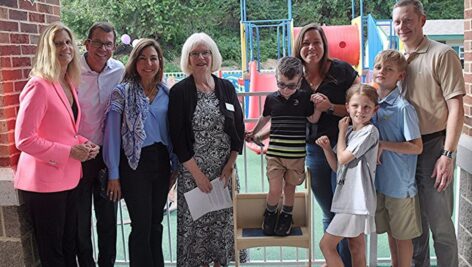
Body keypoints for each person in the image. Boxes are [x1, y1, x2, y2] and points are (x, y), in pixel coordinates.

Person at [14, 22, 99, 266]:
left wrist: (85, 144)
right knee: (54, 254)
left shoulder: (67, 82)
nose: (65, 47)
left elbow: (65, 131)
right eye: (58, 43)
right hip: (44, 184)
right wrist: (70, 152)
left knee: (69, 246)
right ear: (47, 49)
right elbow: (25, 139)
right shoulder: (38, 85)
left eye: (68, 41)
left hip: (69, 179)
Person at [392, 1, 465, 266]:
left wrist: (448, 153)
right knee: (414, 229)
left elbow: (456, 106)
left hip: (434, 148)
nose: (402, 27)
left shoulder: (441, 54)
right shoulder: (396, 60)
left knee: (441, 226)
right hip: (405, 152)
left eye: (408, 20)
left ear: (422, 21)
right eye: (398, 21)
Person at [168, 32, 247, 267]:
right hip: (195, 175)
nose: (201, 58)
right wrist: (198, 175)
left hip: (225, 173)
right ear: (188, 59)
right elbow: (178, 139)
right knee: (198, 232)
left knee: (224, 227)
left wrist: (230, 164)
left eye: (205, 53)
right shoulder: (180, 92)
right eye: (195, 54)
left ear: (213, 56)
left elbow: (238, 128)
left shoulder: (226, 87)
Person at [103, 38, 178, 267]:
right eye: (143, 58)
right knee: (141, 225)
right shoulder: (121, 93)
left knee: (156, 222)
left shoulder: (166, 92)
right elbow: (112, 137)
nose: (148, 64)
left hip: (161, 161)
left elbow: (173, 132)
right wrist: (114, 173)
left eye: (153, 58)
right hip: (134, 164)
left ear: (160, 62)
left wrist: (174, 167)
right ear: (135, 62)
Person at [294, 22, 360, 266]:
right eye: (306, 42)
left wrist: (330, 107)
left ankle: (344, 261)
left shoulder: (342, 71)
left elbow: (360, 107)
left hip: (343, 148)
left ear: (324, 45)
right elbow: (282, 110)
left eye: (317, 42)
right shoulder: (294, 74)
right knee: (329, 211)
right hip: (313, 150)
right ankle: (336, 262)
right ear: (299, 46)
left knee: (343, 210)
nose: (311, 47)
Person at [245, 56, 318, 236]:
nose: (285, 90)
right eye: (281, 84)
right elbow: (265, 118)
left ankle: (286, 215)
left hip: (296, 156)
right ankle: (270, 213)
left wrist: (318, 107)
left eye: (291, 85)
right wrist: (254, 132)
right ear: (276, 79)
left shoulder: (304, 99)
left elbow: (312, 119)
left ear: (300, 81)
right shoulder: (271, 99)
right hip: (275, 154)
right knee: (275, 188)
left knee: (290, 188)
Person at [76, 22, 125, 267]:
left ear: (114, 46)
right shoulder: (71, 70)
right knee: (80, 221)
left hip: (108, 157)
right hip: (79, 157)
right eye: (98, 42)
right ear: (87, 43)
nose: (103, 48)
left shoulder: (119, 70)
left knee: (108, 220)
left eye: (108, 44)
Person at [317, 84, 379, 267]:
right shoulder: (352, 132)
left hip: (356, 201)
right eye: (355, 106)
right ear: (347, 107)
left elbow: (343, 158)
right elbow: (337, 167)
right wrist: (328, 149)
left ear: (375, 110)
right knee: (356, 247)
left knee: (326, 245)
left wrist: (341, 131)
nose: (360, 111)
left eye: (366, 107)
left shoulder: (369, 132)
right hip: (349, 199)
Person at [371, 50, 423, 267]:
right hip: (380, 184)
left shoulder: (404, 108)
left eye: (389, 69)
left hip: (400, 187)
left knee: (403, 238)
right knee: (391, 233)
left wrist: (384, 145)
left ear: (400, 76)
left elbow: (417, 147)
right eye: (378, 67)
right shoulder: (372, 106)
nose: (382, 72)